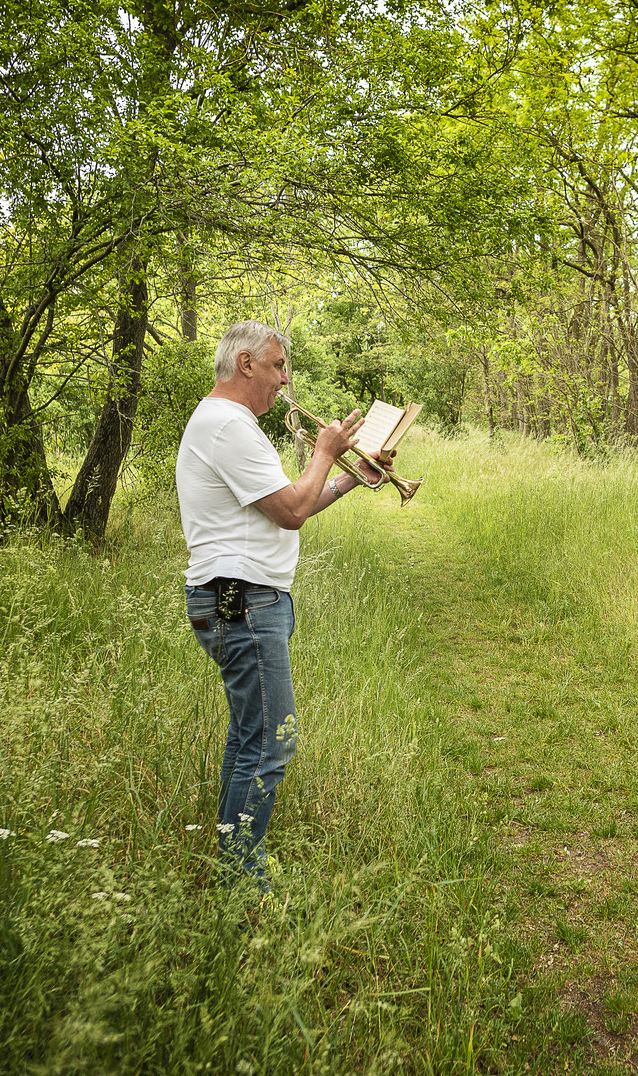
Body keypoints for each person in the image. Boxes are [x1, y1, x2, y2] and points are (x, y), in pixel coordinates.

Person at [175, 320, 386, 889]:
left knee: (250, 735)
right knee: (273, 740)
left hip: (230, 597)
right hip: (241, 599)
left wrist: (350, 479)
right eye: (277, 367)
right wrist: (324, 449)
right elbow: (292, 509)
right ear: (246, 365)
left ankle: (233, 869)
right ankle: (242, 884)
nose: (284, 381)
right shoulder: (227, 424)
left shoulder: (224, 422)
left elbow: (288, 504)